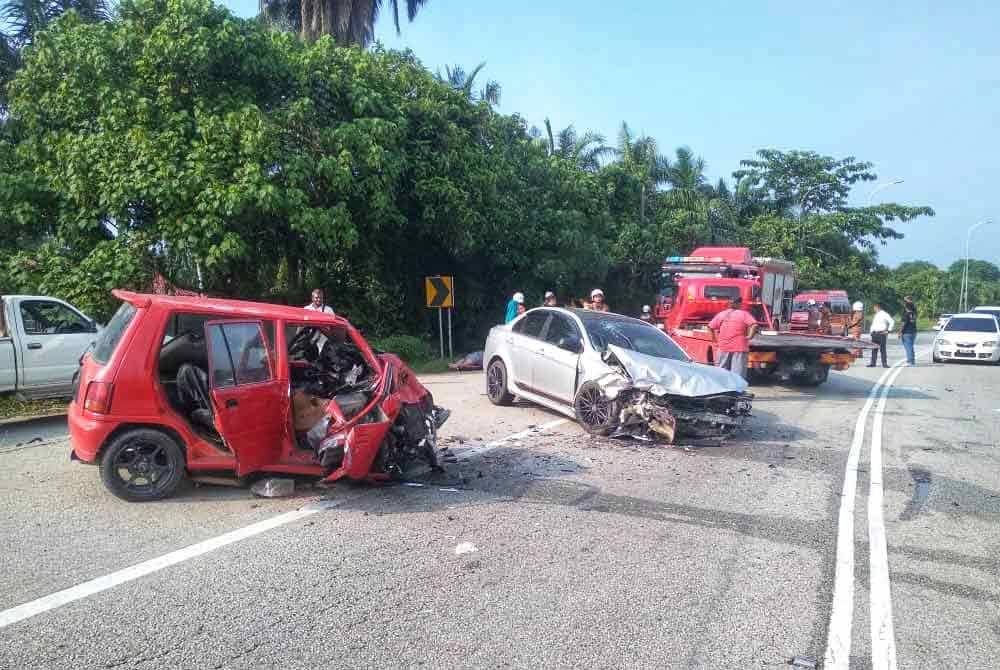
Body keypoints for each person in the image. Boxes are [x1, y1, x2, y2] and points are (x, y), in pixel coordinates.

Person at [708, 296, 758, 380]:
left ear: (729, 304)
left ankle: (721, 389)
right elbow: (754, 325)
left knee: (721, 371)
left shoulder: (722, 314)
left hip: (723, 347)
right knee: (738, 373)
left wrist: (714, 340)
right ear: (739, 304)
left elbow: (710, 327)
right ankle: (737, 391)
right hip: (739, 347)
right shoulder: (744, 314)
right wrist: (750, 336)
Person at [868, 302, 894, 368]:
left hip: (881, 333)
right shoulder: (876, 314)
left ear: (878, 307)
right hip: (874, 333)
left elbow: (892, 321)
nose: (874, 309)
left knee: (882, 349)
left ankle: (884, 364)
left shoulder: (884, 314)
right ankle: (873, 363)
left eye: (874, 307)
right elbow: (874, 324)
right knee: (874, 349)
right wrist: (871, 332)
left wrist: (888, 330)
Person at [899, 296, 918, 366]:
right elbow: (912, 306)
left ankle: (910, 361)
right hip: (914, 331)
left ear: (906, 307)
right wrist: (908, 300)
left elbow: (903, 324)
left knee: (908, 347)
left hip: (906, 332)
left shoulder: (905, 314)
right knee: (911, 346)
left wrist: (899, 332)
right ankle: (912, 360)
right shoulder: (914, 313)